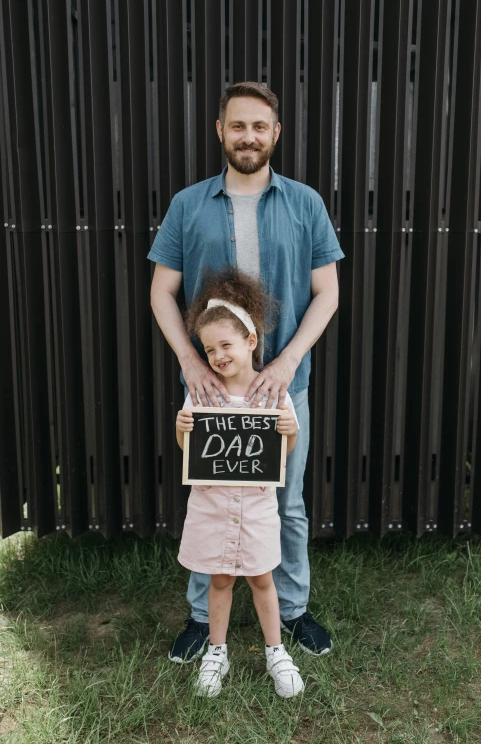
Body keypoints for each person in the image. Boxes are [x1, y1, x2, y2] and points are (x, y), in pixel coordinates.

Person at [149, 80, 344, 663]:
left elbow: (328, 293)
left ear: (276, 133)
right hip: (211, 392)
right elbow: (162, 292)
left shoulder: (305, 203)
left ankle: (291, 609)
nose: (249, 136)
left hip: (283, 388)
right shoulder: (188, 205)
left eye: (260, 126)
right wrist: (189, 360)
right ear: (220, 132)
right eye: (238, 125)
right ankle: (202, 616)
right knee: (208, 497)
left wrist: (287, 361)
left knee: (283, 502)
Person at [176, 269, 304, 697]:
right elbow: (191, 450)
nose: (217, 356)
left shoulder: (272, 395)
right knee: (220, 580)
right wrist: (182, 427)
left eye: (225, 345)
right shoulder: (203, 393)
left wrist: (291, 430)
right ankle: (217, 651)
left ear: (250, 341)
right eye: (209, 349)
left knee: (263, 579)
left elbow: (280, 456)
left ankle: (276, 651)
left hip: (257, 509)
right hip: (213, 506)